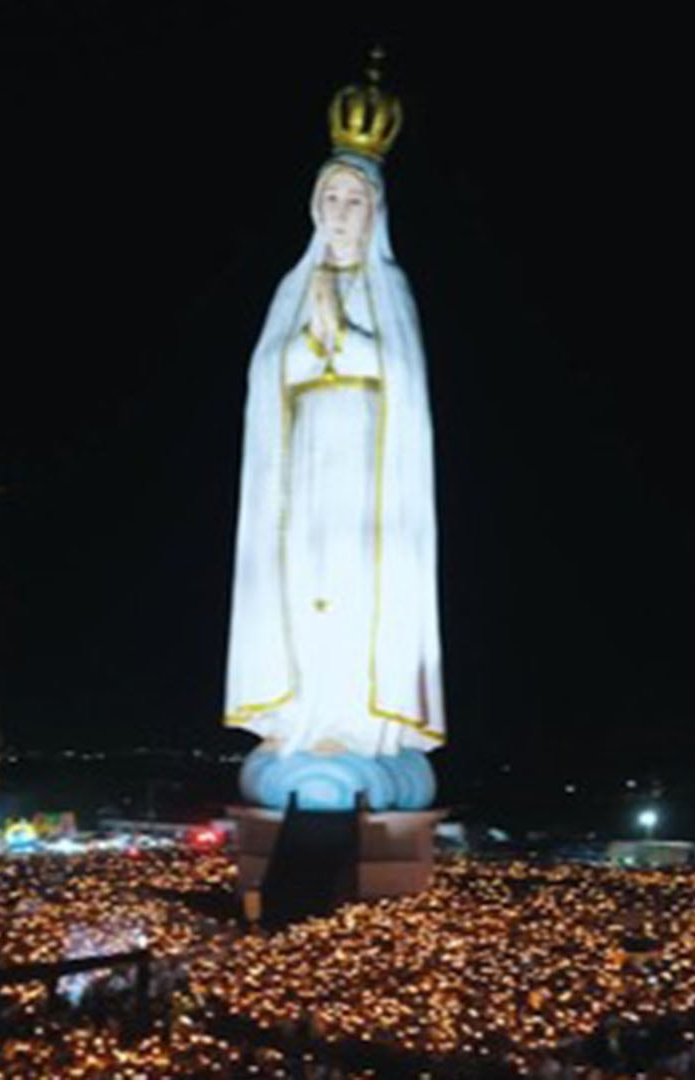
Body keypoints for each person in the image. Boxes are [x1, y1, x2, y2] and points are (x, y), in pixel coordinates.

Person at [223, 63, 442, 810]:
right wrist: (307, 336)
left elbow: (401, 382)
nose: (340, 214)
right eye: (330, 200)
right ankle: (303, 718)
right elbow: (267, 376)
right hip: (303, 479)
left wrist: (339, 336)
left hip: (366, 486)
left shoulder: (389, 288)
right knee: (299, 587)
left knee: (355, 592)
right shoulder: (295, 288)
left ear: (375, 211)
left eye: (353, 201)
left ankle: (355, 725)